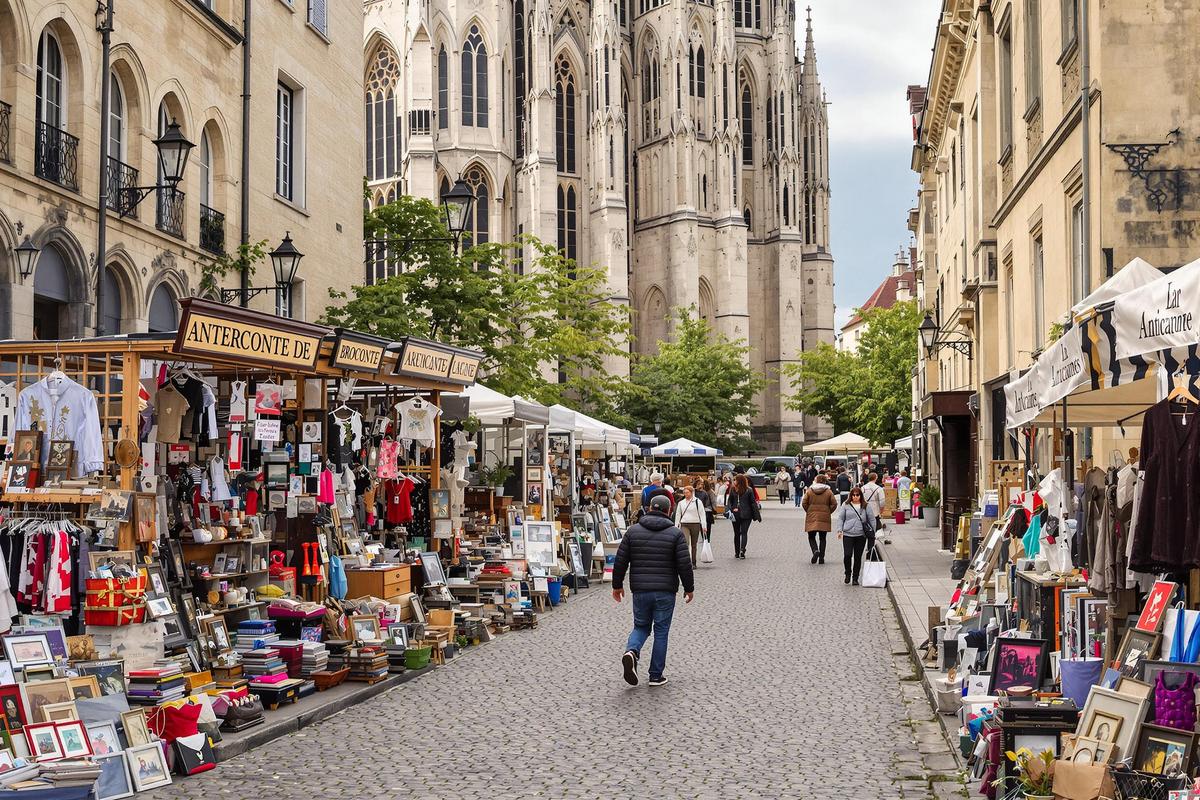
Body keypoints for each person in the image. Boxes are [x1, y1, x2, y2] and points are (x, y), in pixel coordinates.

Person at [613, 494, 695, 687]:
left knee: (641, 627)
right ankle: (655, 676)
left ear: (649, 508)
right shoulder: (675, 534)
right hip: (665, 590)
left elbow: (620, 560)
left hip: (640, 589)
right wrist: (689, 588)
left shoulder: (633, 531)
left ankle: (631, 651)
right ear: (669, 511)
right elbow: (684, 564)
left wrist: (617, 585)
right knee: (661, 631)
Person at [835, 486, 874, 585]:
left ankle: (855, 577)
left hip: (861, 535)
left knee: (858, 557)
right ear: (851, 496)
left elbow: (871, 519)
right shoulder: (846, 505)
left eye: (857, 495)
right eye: (853, 495)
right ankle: (847, 573)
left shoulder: (866, 505)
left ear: (860, 496)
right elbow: (841, 518)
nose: (855, 497)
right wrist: (839, 530)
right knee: (847, 555)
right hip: (848, 534)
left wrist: (872, 532)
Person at [802, 473, 837, 565]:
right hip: (824, 516)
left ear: (816, 480)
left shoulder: (810, 491)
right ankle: (821, 558)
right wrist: (828, 511)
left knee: (811, 537)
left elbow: (804, 503)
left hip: (812, 515)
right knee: (823, 538)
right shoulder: (828, 491)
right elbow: (834, 504)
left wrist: (809, 511)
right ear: (825, 481)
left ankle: (815, 550)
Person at [674, 484, 708, 566]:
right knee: (686, 543)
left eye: (687, 493)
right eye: (684, 493)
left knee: (694, 544)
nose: (686, 494)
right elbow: (678, 515)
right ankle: (687, 561)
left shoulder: (697, 502)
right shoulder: (681, 503)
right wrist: (676, 526)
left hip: (695, 524)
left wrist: (704, 526)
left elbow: (702, 514)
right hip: (684, 523)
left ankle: (694, 562)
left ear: (692, 492)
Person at [727, 474, 759, 559]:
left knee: (738, 533)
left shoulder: (745, 490)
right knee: (742, 533)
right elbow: (753, 503)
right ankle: (741, 550)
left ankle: (738, 552)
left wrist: (731, 508)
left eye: (735, 480)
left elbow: (730, 502)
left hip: (740, 514)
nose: (734, 481)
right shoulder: (747, 490)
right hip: (744, 514)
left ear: (740, 481)